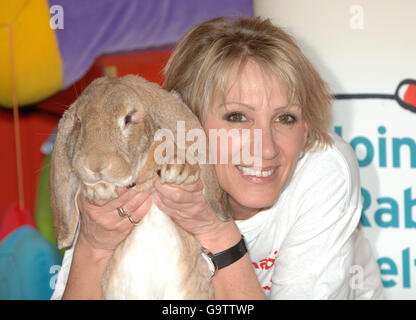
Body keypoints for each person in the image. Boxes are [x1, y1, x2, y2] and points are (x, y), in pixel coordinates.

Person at [52, 16, 384, 299]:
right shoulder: (134, 163)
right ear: (184, 123)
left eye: (286, 118)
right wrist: (94, 247)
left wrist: (216, 232)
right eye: (237, 117)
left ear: (307, 127)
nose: (266, 149)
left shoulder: (324, 169)